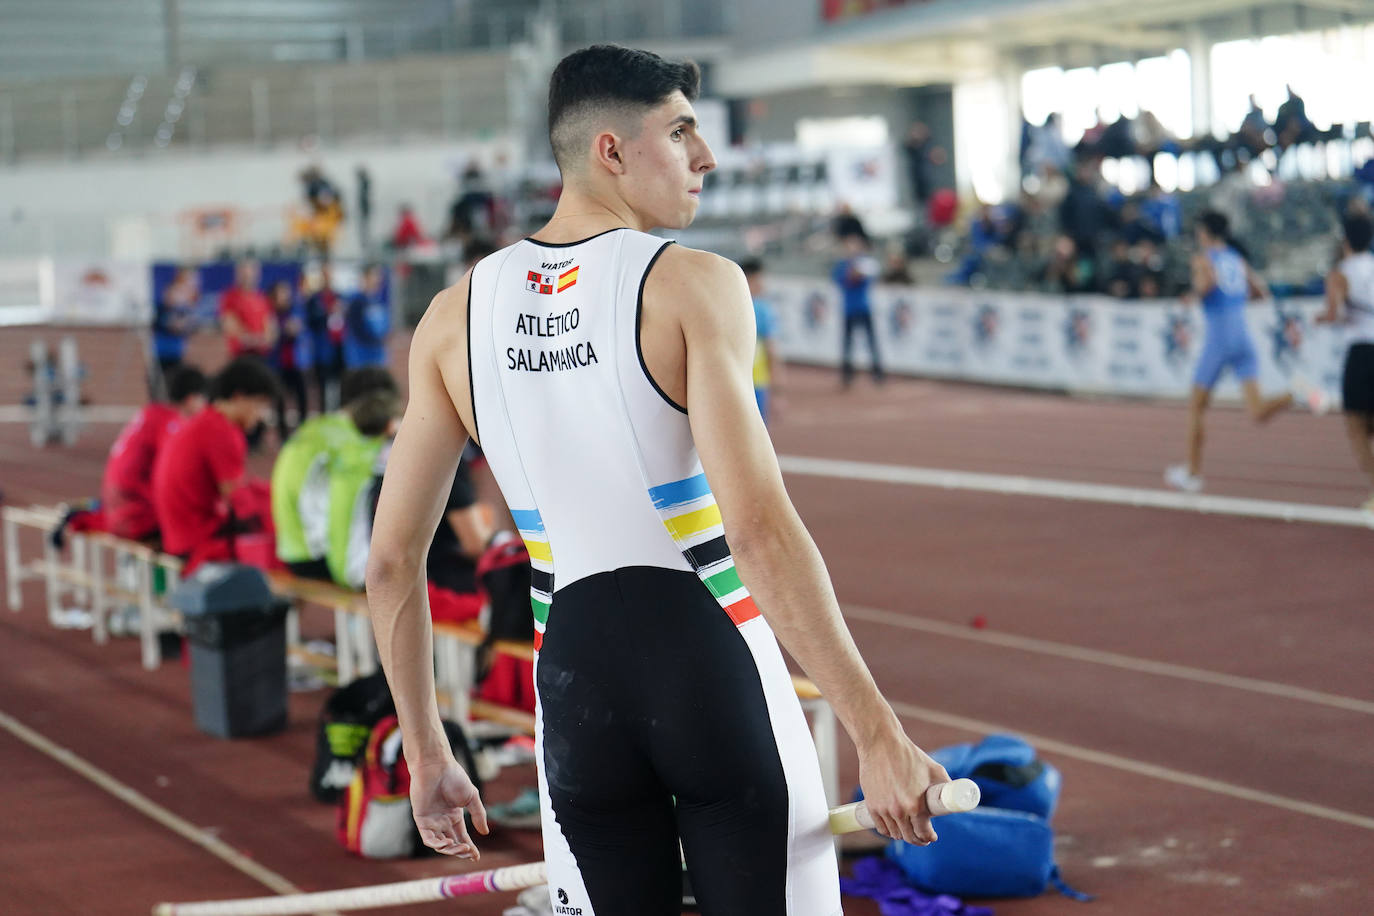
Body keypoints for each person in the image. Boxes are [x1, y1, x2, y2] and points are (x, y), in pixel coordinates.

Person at [366, 44, 947, 915]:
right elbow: (757, 529)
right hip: (713, 669)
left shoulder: (453, 318)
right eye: (681, 134)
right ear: (610, 150)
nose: (705, 159)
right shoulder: (693, 286)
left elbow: (390, 561)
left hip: (572, 693)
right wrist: (877, 732)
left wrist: (426, 750)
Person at [1165, 211, 1299, 493]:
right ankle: (1294, 392)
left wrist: (1192, 295)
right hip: (1242, 335)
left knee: (1196, 406)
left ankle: (1192, 472)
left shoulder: (1204, 258)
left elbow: (1207, 284)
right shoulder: (1237, 259)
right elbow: (1260, 292)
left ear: (1204, 232)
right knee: (1256, 411)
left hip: (1220, 337)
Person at [152, 356, 281, 572]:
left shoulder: (204, 421)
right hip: (194, 541)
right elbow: (238, 501)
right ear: (239, 397)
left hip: (175, 534)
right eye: (260, 406)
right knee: (282, 550)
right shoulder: (223, 432)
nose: (261, 416)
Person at [271, 367, 399, 581]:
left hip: (292, 551)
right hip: (317, 557)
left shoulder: (317, 428)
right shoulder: (355, 443)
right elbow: (349, 507)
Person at [102, 366, 208, 543]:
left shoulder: (150, 413)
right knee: (202, 530)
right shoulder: (171, 423)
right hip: (136, 516)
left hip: (116, 509)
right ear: (191, 399)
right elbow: (175, 474)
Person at [1316, 214, 1374, 511]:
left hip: (1362, 351)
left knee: (1355, 424)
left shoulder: (1340, 273)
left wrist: (1320, 319)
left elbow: (1335, 313)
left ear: (1345, 239)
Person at [833, 232, 885, 387]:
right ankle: (847, 375)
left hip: (863, 308)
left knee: (871, 342)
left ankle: (877, 373)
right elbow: (842, 280)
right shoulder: (842, 265)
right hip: (849, 309)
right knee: (848, 344)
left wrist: (856, 273)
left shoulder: (866, 264)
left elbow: (869, 277)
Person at [740, 258, 784, 424]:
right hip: (756, 382)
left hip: (729, 379)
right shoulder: (763, 310)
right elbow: (772, 350)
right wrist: (779, 391)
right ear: (751, 279)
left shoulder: (726, 304)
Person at [269, 278, 311, 441]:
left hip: (296, 362)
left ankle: (303, 432)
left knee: (302, 398)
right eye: (281, 292)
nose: (285, 296)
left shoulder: (296, 310)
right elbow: (271, 335)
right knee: (279, 401)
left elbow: (303, 329)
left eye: (286, 292)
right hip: (278, 363)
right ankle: (283, 436)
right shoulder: (271, 313)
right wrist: (282, 330)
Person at [150, 267, 200, 396]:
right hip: (161, 354)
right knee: (159, 388)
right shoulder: (162, 309)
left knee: (175, 388)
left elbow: (189, 325)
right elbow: (168, 324)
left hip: (176, 354)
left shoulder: (184, 309)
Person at [305, 262, 346, 413]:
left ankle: (339, 415)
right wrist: (327, 311)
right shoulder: (314, 299)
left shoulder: (339, 296)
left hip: (338, 346)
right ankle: (324, 416)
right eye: (325, 274)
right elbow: (311, 321)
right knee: (323, 387)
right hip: (322, 349)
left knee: (341, 385)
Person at [219, 259, 277, 360]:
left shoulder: (263, 298)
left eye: (251, 272)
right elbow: (229, 326)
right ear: (237, 274)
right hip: (240, 356)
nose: (247, 276)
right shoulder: (229, 297)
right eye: (243, 272)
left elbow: (270, 325)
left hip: (261, 355)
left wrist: (266, 338)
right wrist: (255, 339)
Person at [343, 263, 391, 369]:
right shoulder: (357, 301)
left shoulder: (379, 301)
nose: (378, 279)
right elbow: (357, 330)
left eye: (379, 276)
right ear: (365, 278)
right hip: (361, 357)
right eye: (374, 276)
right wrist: (375, 340)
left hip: (378, 355)